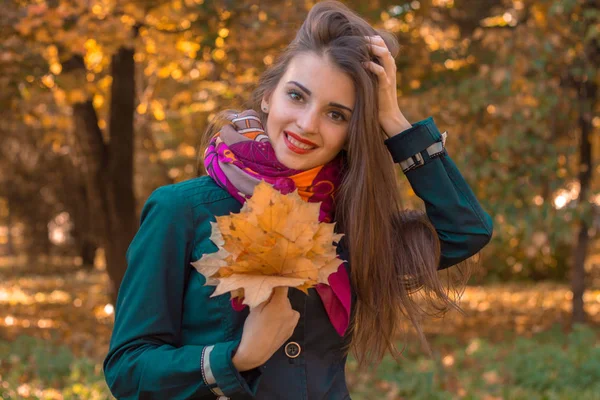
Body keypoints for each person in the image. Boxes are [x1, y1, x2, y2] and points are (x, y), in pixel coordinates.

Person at [103, 1, 493, 399]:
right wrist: (233, 359)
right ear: (269, 95)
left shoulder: (353, 221)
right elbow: (128, 369)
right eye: (297, 96)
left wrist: (393, 121)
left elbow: (465, 230)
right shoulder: (181, 210)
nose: (307, 124)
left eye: (337, 115)